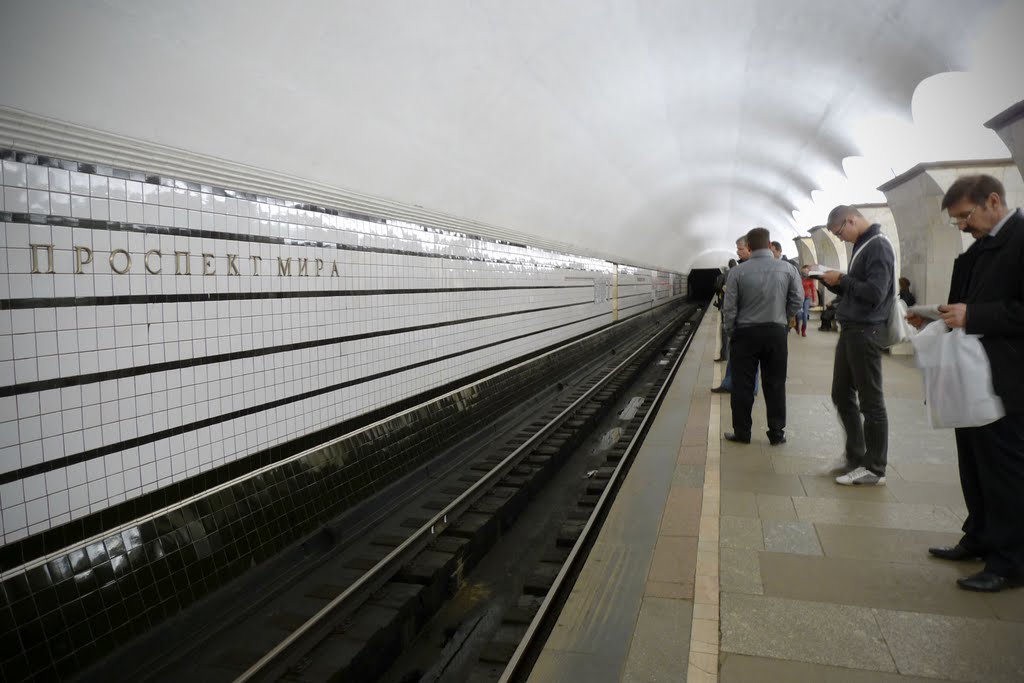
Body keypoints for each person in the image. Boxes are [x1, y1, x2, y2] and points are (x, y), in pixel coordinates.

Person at [907, 174, 1024, 593]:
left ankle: (1010, 562)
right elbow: (970, 304)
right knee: (974, 465)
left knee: (1006, 473)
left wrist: (974, 317)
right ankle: (979, 537)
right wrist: (938, 315)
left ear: (993, 201)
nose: (961, 226)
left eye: (965, 216)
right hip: (972, 377)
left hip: (1007, 379)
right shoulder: (981, 247)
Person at [820, 206, 896, 486]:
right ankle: (855, 454)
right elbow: (857, 289)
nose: (841, 239)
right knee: (841, 393)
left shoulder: (878, 246)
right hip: (852, 328)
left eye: (840, 233)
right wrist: (834, 282)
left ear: (851, 220)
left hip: (866, 331)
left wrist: (843, 279)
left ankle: (875, 468)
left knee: (871, 401)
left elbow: (875, 294)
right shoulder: (862, 245)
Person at [721, 227, 802, 445]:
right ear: (769, 245)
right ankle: (776, 433)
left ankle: (742, 432)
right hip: (776, 332)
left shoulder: (737, 272)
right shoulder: (788, 269)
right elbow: (797, 299)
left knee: (742, 385)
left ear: (748, 247)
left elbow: (729, 308)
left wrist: (731, 331)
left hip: (745, 333)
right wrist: (783, 319)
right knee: (775, 383)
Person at [712, 237, 758, 393]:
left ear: (750, 249)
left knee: (743, 357)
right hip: (755, 321)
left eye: (740, 249)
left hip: (745, 321)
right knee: (746, 357)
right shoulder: (757, 268)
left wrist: (729, 325)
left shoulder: (743, 271)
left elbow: (733, 301)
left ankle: (739, 386)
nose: (738, 252)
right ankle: (744, 386)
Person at [798, 264, 818, 336]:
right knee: (798, 314)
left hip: (807, 298)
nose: (805, 272)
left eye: (807, 271)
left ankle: (803, 330)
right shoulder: (799, 278)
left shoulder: (811, 279)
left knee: (805, 315)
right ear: (802, 270)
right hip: (799, 298)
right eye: (804, 270)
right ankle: (797, 326)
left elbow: (813, 289)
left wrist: (814, 300)